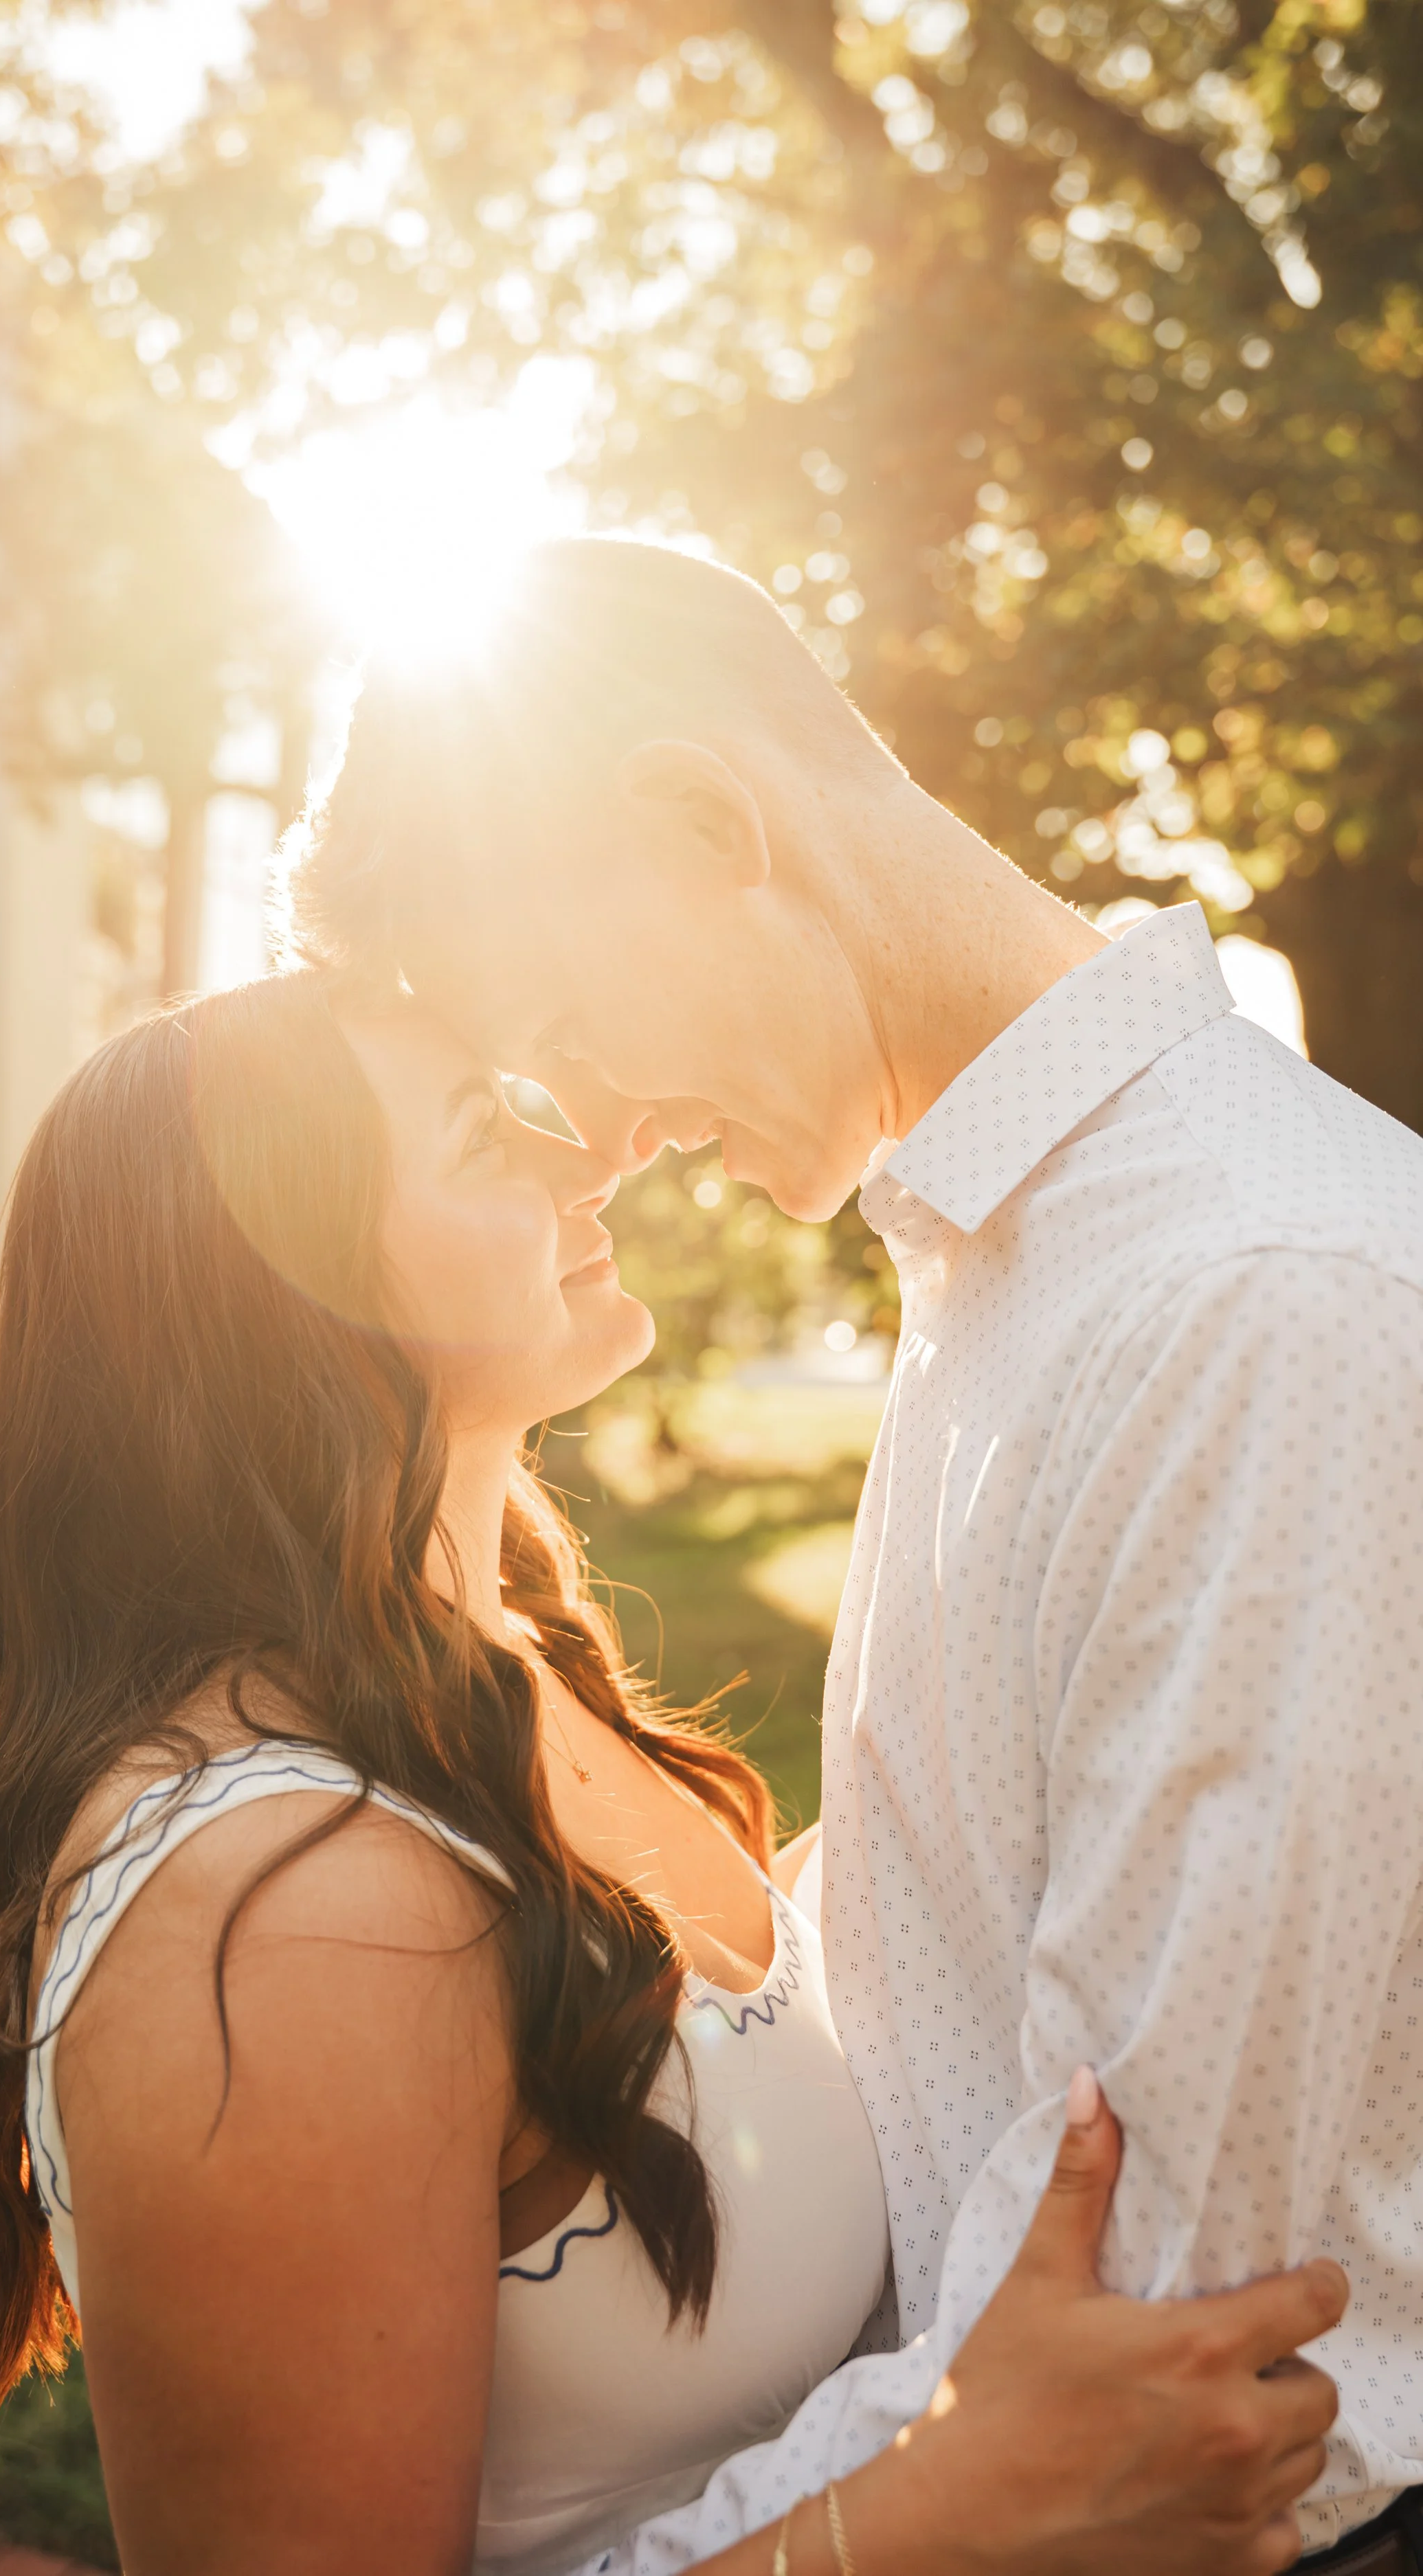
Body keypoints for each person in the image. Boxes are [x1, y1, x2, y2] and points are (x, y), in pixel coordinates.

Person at [0, 969, 1341, 2576]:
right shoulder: (286, 1905)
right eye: (482, 1134)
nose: (582, 1156)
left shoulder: (502, 1671)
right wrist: (952, 2507)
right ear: (295, 1296)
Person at [293, 534, 1423, 2575]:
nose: (606, 1136)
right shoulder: (1011, 1251)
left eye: (567, 1022)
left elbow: (1133, 2340)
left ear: (706, 819)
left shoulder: (1243, 1294)